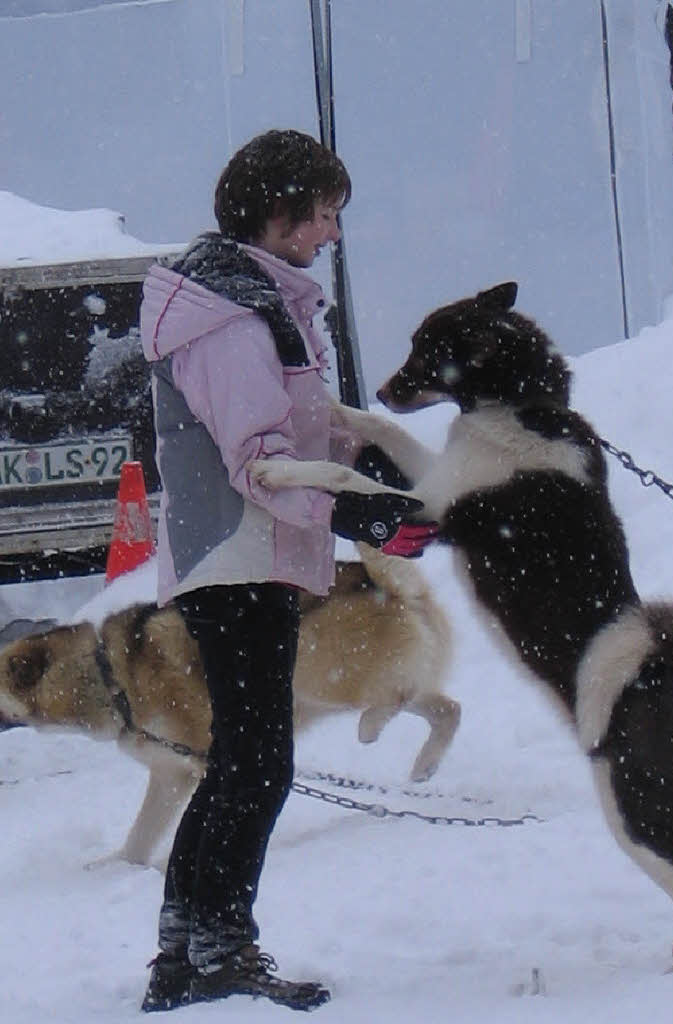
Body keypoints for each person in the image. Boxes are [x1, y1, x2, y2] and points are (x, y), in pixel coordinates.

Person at [138, 129, 423, 1012]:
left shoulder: (261, 301)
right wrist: (360, 509)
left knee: (239, 760)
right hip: (236, 556)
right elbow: (260, 459)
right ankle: (220, 949)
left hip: (250, 555)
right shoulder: (228, 314)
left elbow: (305, 429)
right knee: (257, 764)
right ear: (279, 211)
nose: (332, 233)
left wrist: (395, 482)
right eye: (325, 214)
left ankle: (185, 954)